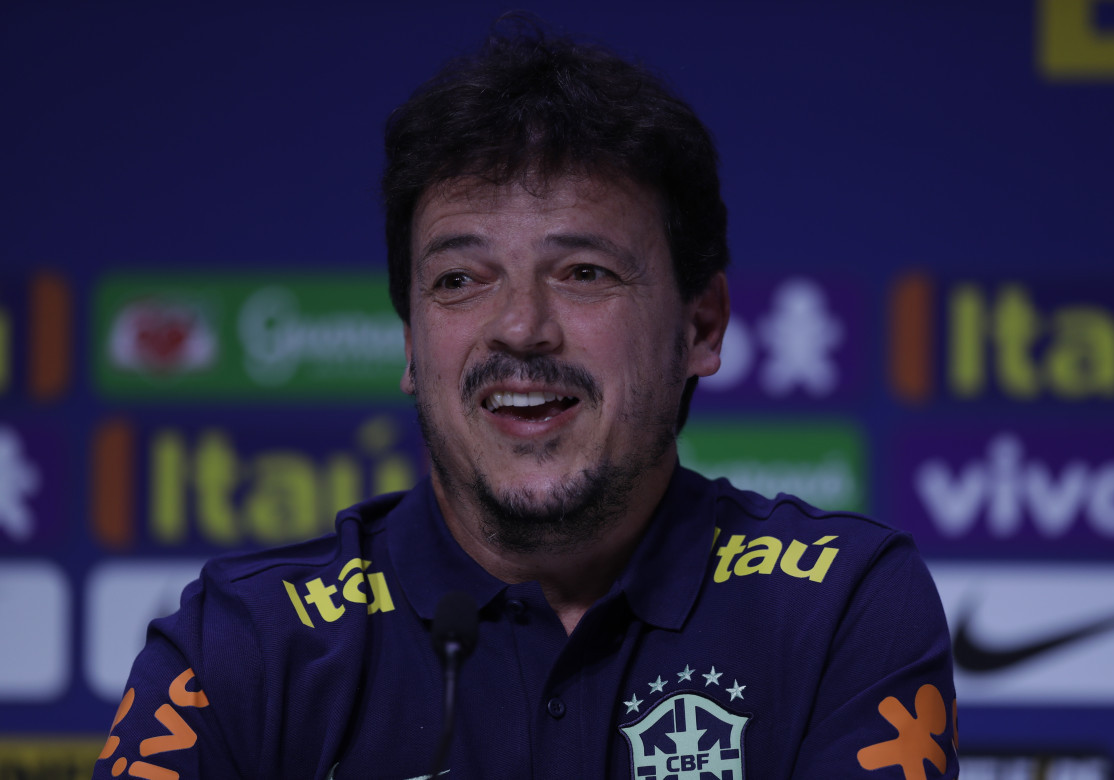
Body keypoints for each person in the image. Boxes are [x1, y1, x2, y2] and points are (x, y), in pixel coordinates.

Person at [93, 17, 958, 780]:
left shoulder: (835, 608)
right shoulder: (240, 643)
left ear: (701, 325)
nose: (518, 328)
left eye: (584, 273)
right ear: (408, 342)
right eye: (461, 279)